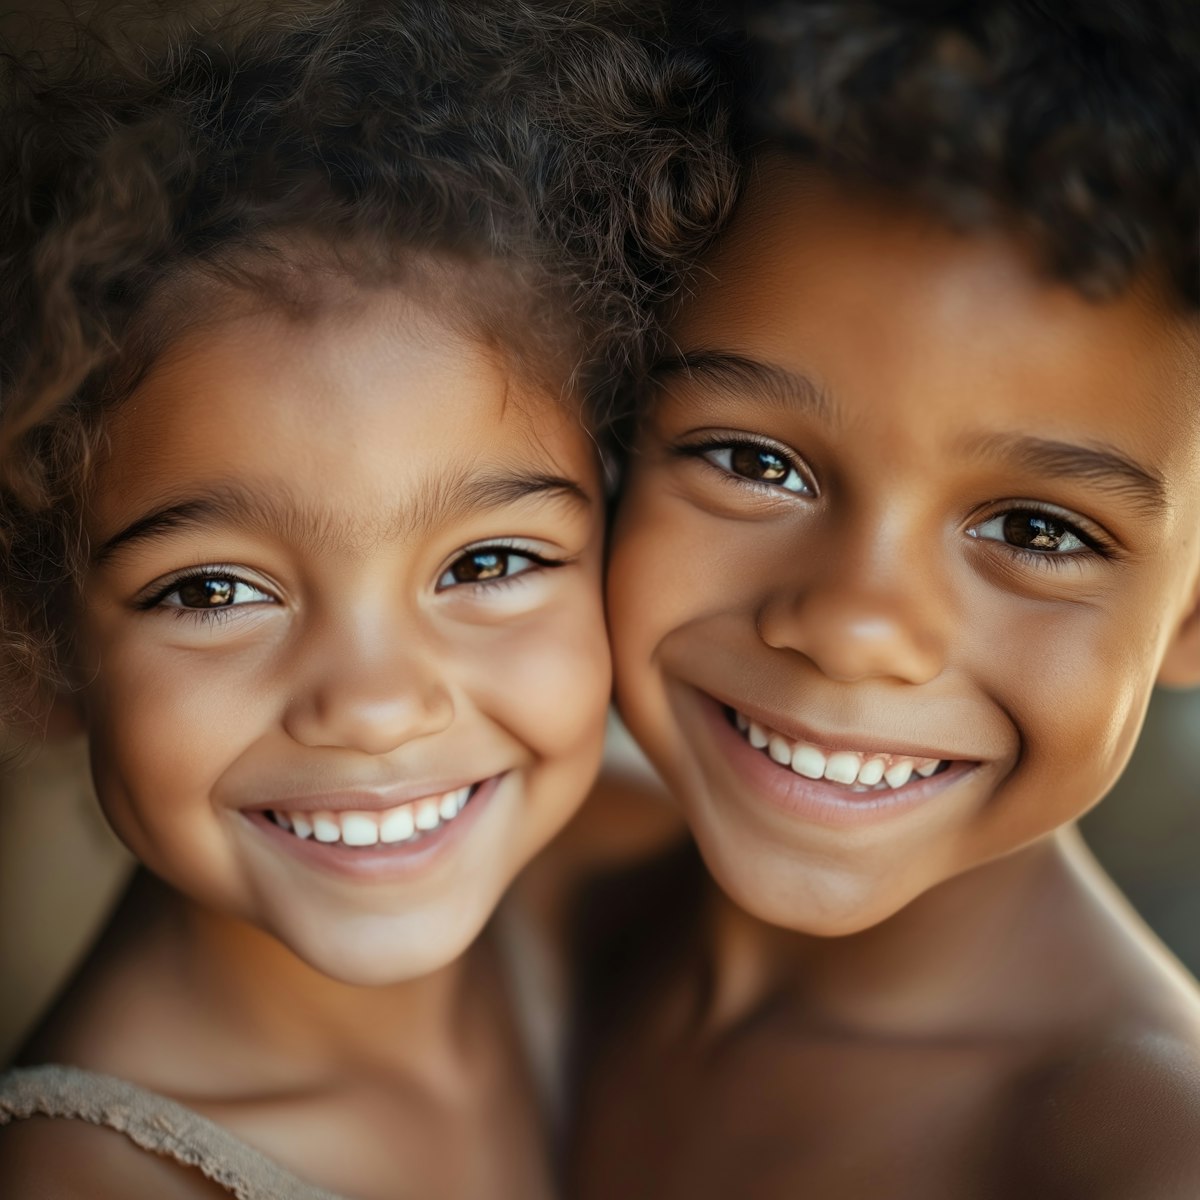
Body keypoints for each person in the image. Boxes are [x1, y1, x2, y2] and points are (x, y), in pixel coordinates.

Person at [0, 3, 733, 1196]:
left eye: (487, 566)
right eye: (215, 589)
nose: (376, 706)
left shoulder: (633, 888)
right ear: (44, 623)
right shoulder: (96, 1180)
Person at [571, 2, 1200, 1196]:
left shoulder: (1132, 1159)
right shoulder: (522, 910)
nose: (858, 625)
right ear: (608, 433)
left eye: (1035, 530)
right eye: (758, 464)